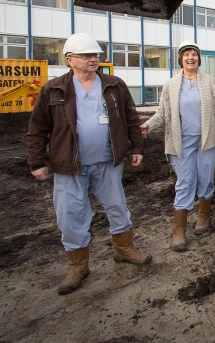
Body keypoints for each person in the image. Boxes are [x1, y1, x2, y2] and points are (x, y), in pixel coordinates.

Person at [27, 33, 151, 295]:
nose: (93, 59)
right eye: (86, 56)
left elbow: (131, 118)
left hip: (108, 161)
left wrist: (136, 148)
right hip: (69, 166)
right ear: (70, 60)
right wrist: (37, 161)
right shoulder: (54, 89)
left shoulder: (114, 85)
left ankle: (124, 249)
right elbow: (37, 128)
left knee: (117, 206)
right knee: (71, 214)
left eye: (95, 55)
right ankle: (78, 265)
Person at [141, 41, 215, 252]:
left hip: (206, 140)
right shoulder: (171, 85)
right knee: (185, 182)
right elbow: (163, 113)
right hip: (182, 143)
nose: (191, 57)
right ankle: (179, 231)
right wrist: (148, 124)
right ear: (181, 59)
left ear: (198, 58)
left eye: (194, 54)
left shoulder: (210, 83)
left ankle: (203, 218)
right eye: (186, 54)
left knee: (206, 180)